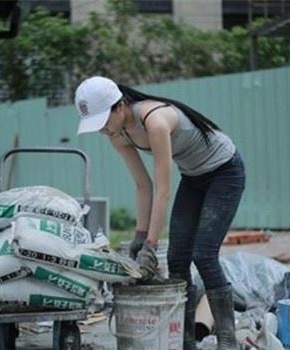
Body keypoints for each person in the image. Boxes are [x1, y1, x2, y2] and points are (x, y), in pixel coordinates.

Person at [74, 76, 245, 350]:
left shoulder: (155, 121)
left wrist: (152, 246)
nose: (102, 130)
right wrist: (139, 237)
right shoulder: (119, 135)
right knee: (178, 260)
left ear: (119, 106)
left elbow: (163, 190)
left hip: (225, 172)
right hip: (194, 177)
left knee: (203, 254)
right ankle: (186, 340)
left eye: (103, 121)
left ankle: (227, 340)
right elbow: (144, 186)